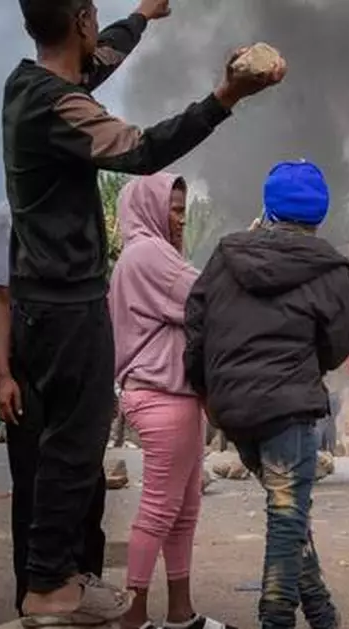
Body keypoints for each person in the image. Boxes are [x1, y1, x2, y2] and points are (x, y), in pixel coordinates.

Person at [5, 0, 284, 623]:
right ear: (80, 19)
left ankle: (56, 578)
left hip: (45, 299)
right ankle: (49, 584)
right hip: (65, 300)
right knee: (73, 449)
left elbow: (92, 64)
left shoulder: (28, 85)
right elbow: (143, 149)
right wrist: (226, 95)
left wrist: (140, 17)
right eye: (95, 18)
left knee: (69, 451)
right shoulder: (58, 105)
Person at [184, 161, 349, 629]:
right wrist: (303, 366)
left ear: (268, 207)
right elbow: (338, 348)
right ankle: (276, 618)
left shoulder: (224, 254)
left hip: (233, 409)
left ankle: (321, 612)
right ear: (319, 216)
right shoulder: (331, 267)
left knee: (289, 510)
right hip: (286, 407)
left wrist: (206, 390)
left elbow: (196, 326)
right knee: (286, 514)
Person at [108, 174, 229, 629]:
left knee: (184, 509)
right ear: (148, 208)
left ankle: (181, 613)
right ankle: (134, 613)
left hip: (174, 397)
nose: (180, 219)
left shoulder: (143, 254)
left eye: (182, 208)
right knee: (160, 509)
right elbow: (209, 298)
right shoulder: (149, 254)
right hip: (164, 396)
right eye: (173, 209)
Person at [0, 201, 108, 616]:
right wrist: (3, 375)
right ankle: (35, 598)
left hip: (82, 361)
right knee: (35, 487)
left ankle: (85, 588)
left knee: (88, 482)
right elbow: (0, 297)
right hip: (31, 367)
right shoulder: (6, 215)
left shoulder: (84, 208)